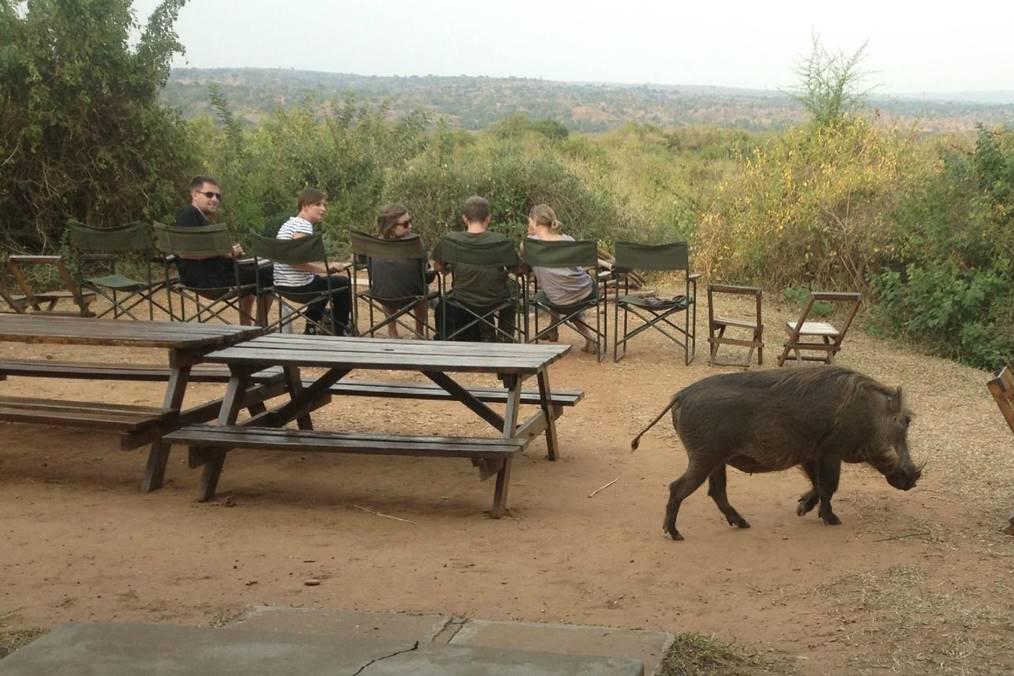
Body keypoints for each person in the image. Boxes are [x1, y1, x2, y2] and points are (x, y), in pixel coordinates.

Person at [174, 176, 273, 325]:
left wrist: (229, 253)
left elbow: (200, 250)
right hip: (208, 280)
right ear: (194, 194)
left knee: (258, 268)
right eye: (209, 194)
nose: (215, 199)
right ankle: (259, 326)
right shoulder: (188, 214)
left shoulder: (199, 217)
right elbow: (186, 252)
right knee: (269, 271)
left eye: (218, 196)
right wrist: (224, 252)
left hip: (213, 275)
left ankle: (247, 326)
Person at [431, 196, 516, 342]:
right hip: (495, 299)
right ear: (488, 218)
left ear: (465, 218)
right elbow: (519, 270)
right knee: (514, 289)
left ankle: (451, 337)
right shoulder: (501, 241)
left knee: (448, 299)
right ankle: (505, 337)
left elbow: (438, 267)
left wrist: (451, 268)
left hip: (462, 298)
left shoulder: (450, 240)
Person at [273, 188, 352, 335]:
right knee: (342, 283)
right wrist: (326, 269)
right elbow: (296, 261)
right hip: (300, 287)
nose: (323, 209)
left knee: (322, 282)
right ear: (305, 206)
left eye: (324, 205)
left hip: (281, 285)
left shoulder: (287, 225)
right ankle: (340, 329)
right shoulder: (304, 225)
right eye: (318, 204)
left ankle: (311, 327)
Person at [525, 204, 599, 353]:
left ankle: (556, 329)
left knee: (554, 293)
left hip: (558, 299)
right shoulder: (568, 240)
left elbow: (522, 269)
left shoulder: (529, 246)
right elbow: (576, 267)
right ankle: (559, 332)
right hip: (586, 292)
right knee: (562, 292)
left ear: (535, 222)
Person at [371, 203, 432, 338]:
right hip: (413, 296)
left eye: (410, 222)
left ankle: (392, 331)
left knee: (388, 284)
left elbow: (359, 263)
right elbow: (425, 270)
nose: (410, 226)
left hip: (381, 295)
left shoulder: (373, 243)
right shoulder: (414, 243)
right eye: (405, 224)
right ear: (391, 227)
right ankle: (419, 332)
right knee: (423, 290)